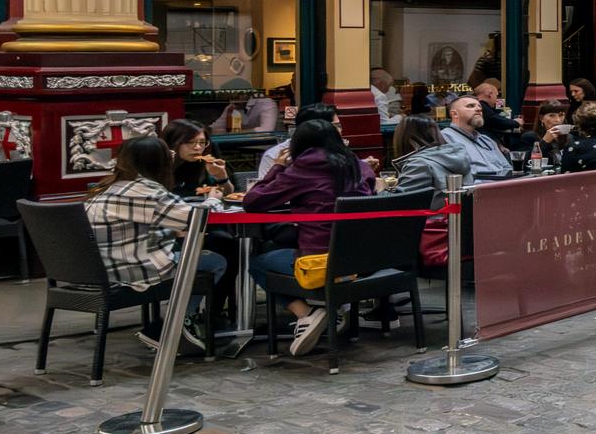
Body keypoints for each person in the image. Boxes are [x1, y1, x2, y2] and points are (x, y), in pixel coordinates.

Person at [243, 119, 377, 356]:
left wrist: (276, 168)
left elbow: (253, 201)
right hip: (364, 261)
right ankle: (333, 312)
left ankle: (306, 315)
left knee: (259, 263)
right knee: (283, 245)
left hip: (322, 262)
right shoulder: (359, 165)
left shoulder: (303, 169)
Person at [84, 136, 227, 355]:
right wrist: (214, 197)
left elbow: (128, 230)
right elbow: (196, 218)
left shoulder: (106, 187)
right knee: (215, 261)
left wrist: (169, 230)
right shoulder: (146, 190)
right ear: (157, 162)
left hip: (98, 269)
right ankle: (172, 326)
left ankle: (173, 325)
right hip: (132, 273)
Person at [434, 95, 516, 179]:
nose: (479, 109)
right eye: (470, 106)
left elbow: (507, 168)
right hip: (475, 189)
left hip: (502, 186)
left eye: (479, 106)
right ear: (454, 114)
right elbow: (449, 176)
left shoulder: (487, 140)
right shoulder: (445, 138)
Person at [258, 103, 340, 179]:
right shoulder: (274, 155)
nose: (339, 131)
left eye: (339, 126)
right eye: (334, 126)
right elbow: (262, 192)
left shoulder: (341, 154)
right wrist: (278, 168)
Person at [513, 100, 572, 167]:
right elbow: (525, 162)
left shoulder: (569, 138)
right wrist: (544, 142)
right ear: (541, 118)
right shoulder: (530, 137)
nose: (558, 120)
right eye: (552, 115)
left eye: (561, 115)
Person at [471, 78, 524, 146]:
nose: (497, 98)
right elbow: (497, 119)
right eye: (496, 95)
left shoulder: (491, 103)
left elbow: (501, 114)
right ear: (489, 94)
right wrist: (516, 122)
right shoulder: (480, 104)